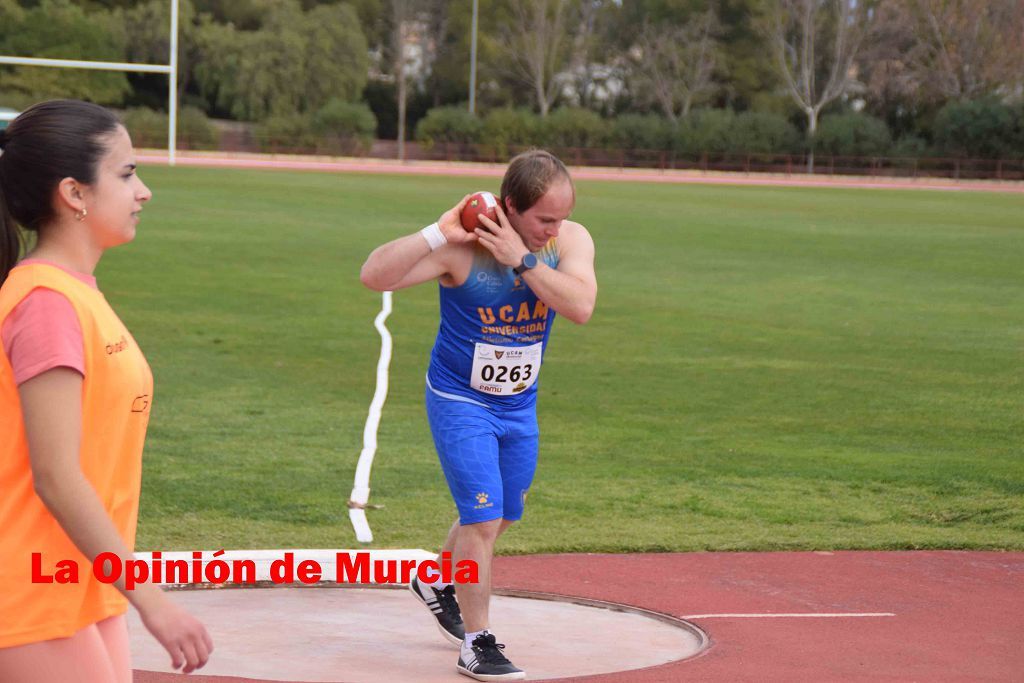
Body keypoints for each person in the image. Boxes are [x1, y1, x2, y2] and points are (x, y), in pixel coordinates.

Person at [360, 149, 597, 681]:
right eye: (544, 219)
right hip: (460, 399)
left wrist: (525, 258)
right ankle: (477, 640)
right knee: (481, 516)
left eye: (561, 217)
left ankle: (435, 580)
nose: (555, 229)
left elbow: (580, 307)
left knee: (507, 511)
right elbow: (374, 276)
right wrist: (436, 232)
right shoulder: (461, 250)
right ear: (511, 207)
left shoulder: (569, 241)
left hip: (519, 403)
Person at [0, 100, 213, 681]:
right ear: (74, 193)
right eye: (126, 174)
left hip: (82, 579)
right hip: (30, 588)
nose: (143, 192)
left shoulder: (74, 293)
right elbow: (56, 475)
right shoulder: (46, 303)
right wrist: (152, 597)